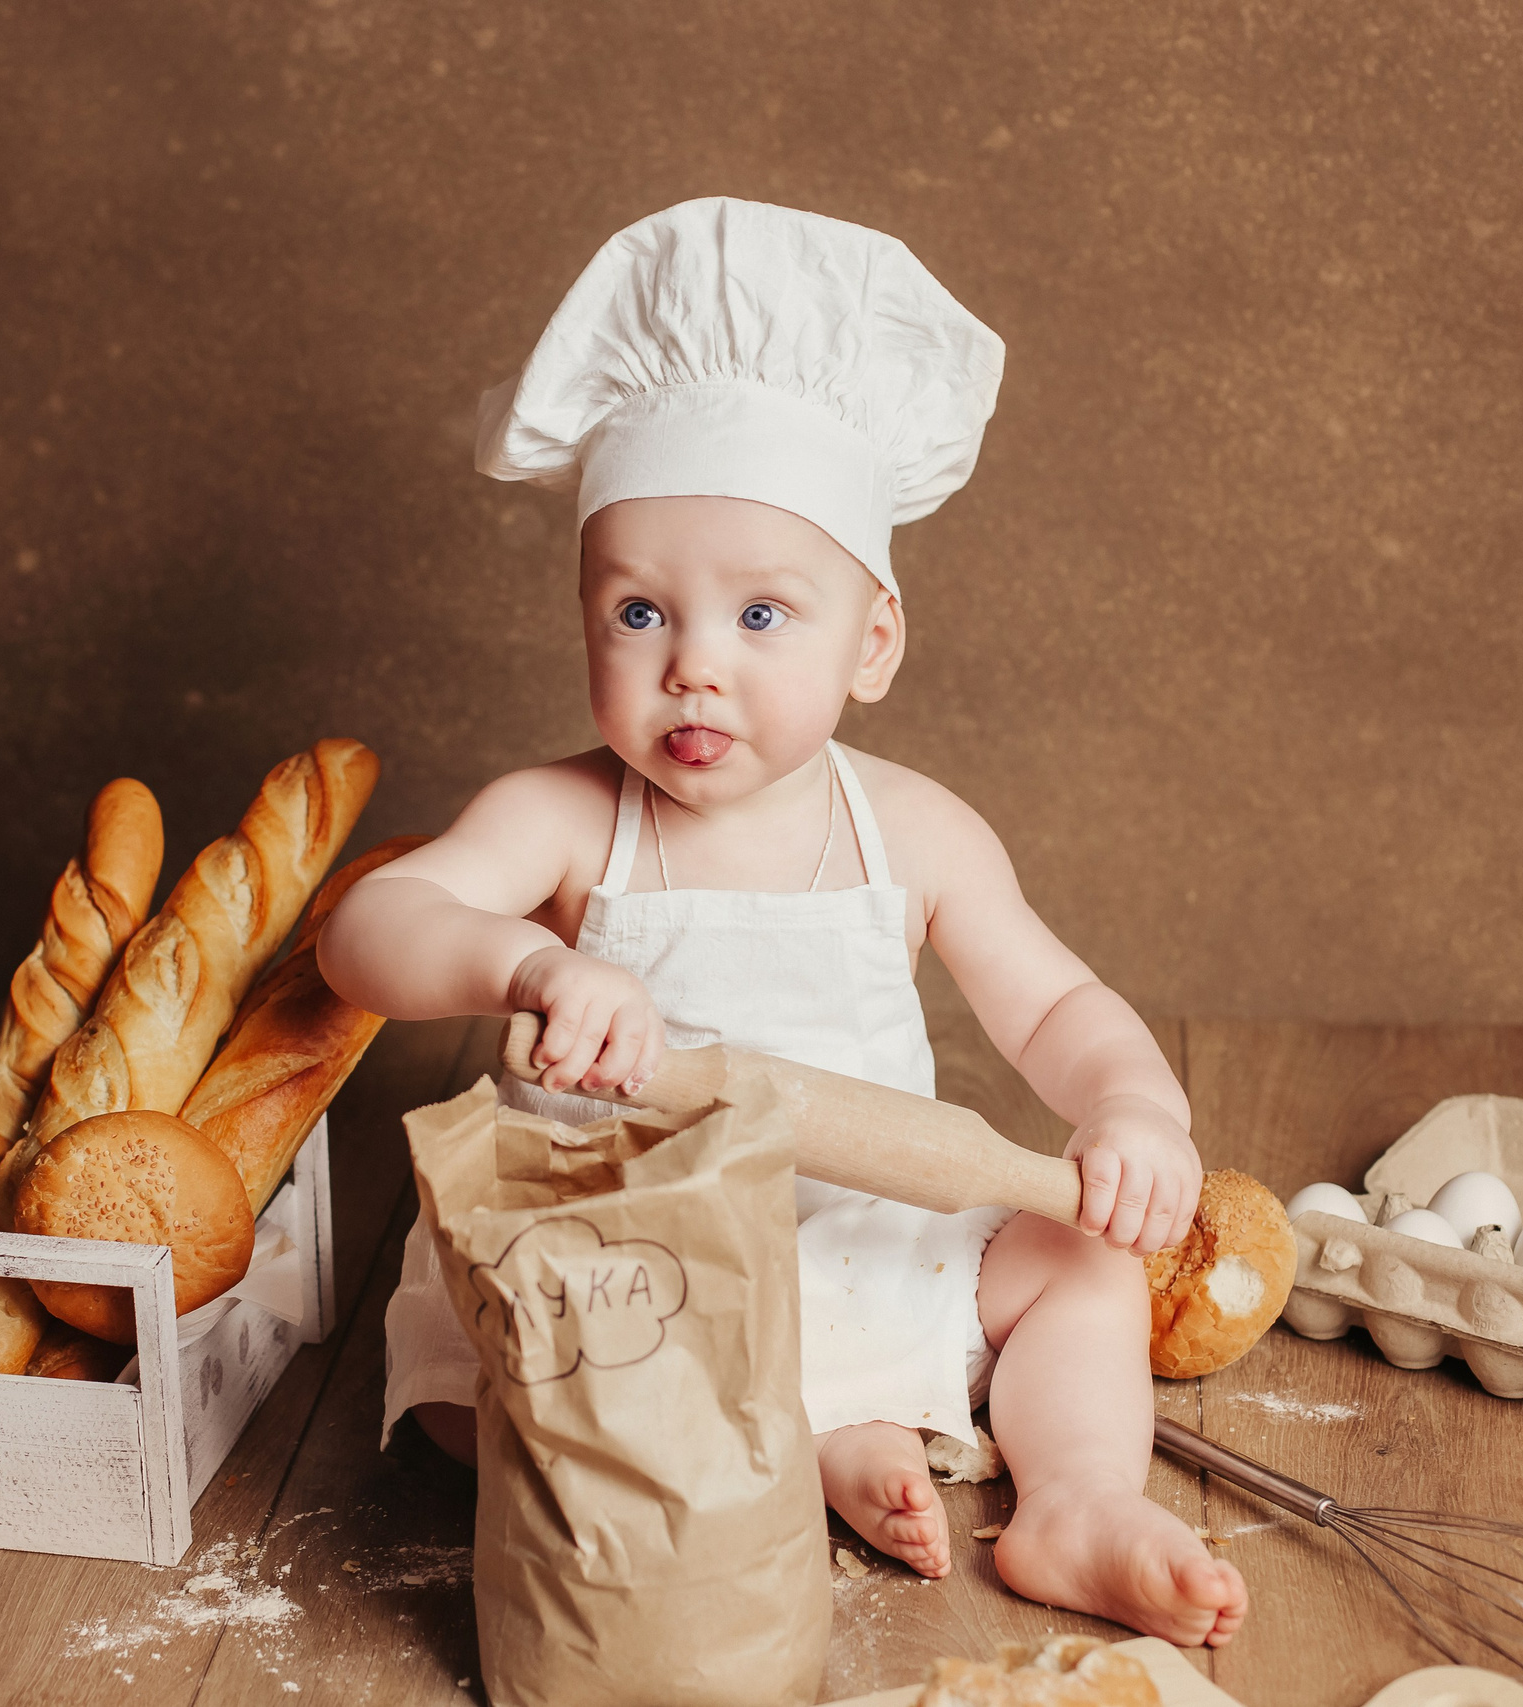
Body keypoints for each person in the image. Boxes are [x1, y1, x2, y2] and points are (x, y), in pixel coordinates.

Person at [317, 197, 1247, 1647]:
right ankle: (804, 1459)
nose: (694, 669)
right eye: (639, 616)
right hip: (631, 1278)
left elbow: (1056, 1009)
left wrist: (1134, 1110)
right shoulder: (567, 820)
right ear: (582, 616)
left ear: (870, 642)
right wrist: (526, 960)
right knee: (481, 1398)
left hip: (866, 1242)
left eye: (762, 617)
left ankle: (1072, 1500)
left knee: (1084, 1270)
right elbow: (367, 929)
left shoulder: (916, 831)